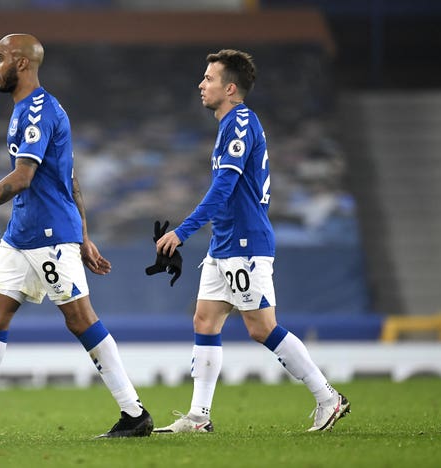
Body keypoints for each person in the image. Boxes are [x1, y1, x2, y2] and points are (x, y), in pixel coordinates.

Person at [0, 33, 153, 441]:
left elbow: (24, 178)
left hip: (49, 236)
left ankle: (134, 414)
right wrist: (86, 234)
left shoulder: (40, 110)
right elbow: (69, 178)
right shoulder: (24, 109)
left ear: (22, 63)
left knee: (80, 319)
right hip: (20, 234)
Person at [151, 49, 350, 433]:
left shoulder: (241, 122)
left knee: (261, 327)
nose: (201, 84)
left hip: (245, 243)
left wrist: (183, 231)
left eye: (208, 78)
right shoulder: (228, 124)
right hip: (224, 243)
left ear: (230, 88)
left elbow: (224, 186)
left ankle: (328, 397)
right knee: (205, 321)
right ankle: (198, 417)